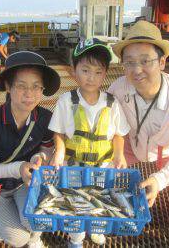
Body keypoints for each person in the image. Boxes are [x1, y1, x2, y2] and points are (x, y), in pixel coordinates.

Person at [108, 20, 169, 248]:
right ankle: (95, 225)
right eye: (129, 62)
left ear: (162, 62)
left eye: (145, 61)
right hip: (130, 145)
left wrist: (159, 180)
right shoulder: (117, 89)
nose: (136, 69)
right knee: (100, 171)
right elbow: (109, 128)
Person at [0, 51, 60, 248]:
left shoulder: (45, 119)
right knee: (18, 238)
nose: (29, 94)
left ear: (43, 89)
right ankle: (0, 224)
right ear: (8, 87)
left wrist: (40, 157)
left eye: (36, 86)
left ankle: (35, 239)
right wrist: (20, 167)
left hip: (22, 183)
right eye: (21, 86)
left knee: (37, 222)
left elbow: (47, 150)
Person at [48, 38, 130, 247]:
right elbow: (58, 131)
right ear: (73, 70)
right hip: (74, 165)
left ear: (105, 73)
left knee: (101, 201)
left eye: (98, 72)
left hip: (103, 166)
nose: (91, 78)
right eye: (85, 70)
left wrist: (119, 155)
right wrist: (59, 151)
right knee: (76, 203)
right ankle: (75, 239)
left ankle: (95, 228)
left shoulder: (112, 102)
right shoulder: (66, 101)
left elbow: (119, 134)